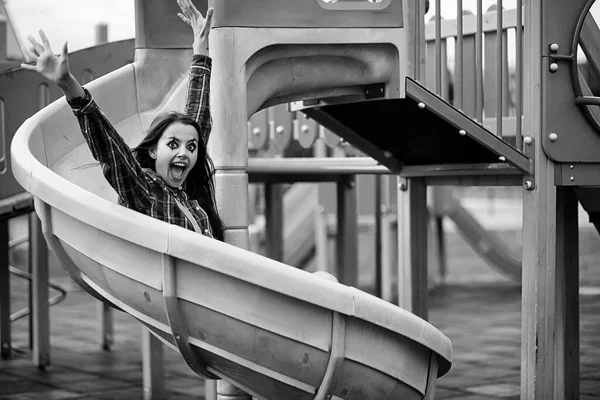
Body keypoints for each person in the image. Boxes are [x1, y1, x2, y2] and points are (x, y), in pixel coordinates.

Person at [20, 0, 224, 241]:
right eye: (172, 144)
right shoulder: (146, 193)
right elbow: (113, 153)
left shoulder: (188, 193)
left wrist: (201, 48)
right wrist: (68, 85)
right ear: (154, 151)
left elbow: (197, 117)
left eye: (191, 147)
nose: (184, 152)